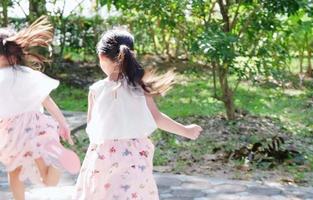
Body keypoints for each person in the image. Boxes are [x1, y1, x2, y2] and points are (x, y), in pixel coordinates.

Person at [74, 28, 203, 200]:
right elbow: (157, 118)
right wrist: (185, 130)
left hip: (103, 156)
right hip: (135, 156)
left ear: (102, 57)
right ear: (131, 55)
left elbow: (91, 127)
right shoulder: (139, 87)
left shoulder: (96, 90)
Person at [0, 16, 80, 200]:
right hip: (36, 125)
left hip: (13, 132)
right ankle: (53, 167)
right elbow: (47, 100)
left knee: (14, 172)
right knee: (46, 177)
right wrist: (63, 124)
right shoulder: (27, 73)